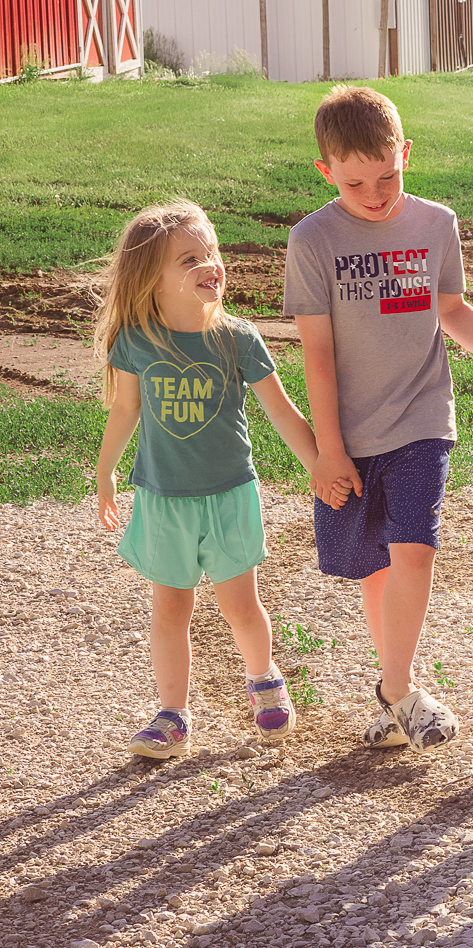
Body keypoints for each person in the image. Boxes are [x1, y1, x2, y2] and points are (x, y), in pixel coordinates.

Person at [284, 85, 473, 752]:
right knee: (377, 569)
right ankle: (397, 692)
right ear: (325, 171)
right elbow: (319, 354)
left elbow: (450, 309)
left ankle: (398, 688)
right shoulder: (313, 239)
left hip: (423, 417)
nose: (375, 191)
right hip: (353, 436)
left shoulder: (435, 223)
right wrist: (327, 452)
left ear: (406, 154)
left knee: (415, 547)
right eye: (356, 180)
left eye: (388, 174)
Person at [92, 201, 330, 759]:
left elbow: (283, 412)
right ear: (153, 278)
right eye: (190, 259)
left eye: (213, 253)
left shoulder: (238, 338)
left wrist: (322, 466)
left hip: (229, 495)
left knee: (240, 607)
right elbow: (124, 411)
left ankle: (265, 677)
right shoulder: (135, 340)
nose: (211, 265)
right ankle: (172, 715)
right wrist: (104, 475)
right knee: (170, 609)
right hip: (163, 500)